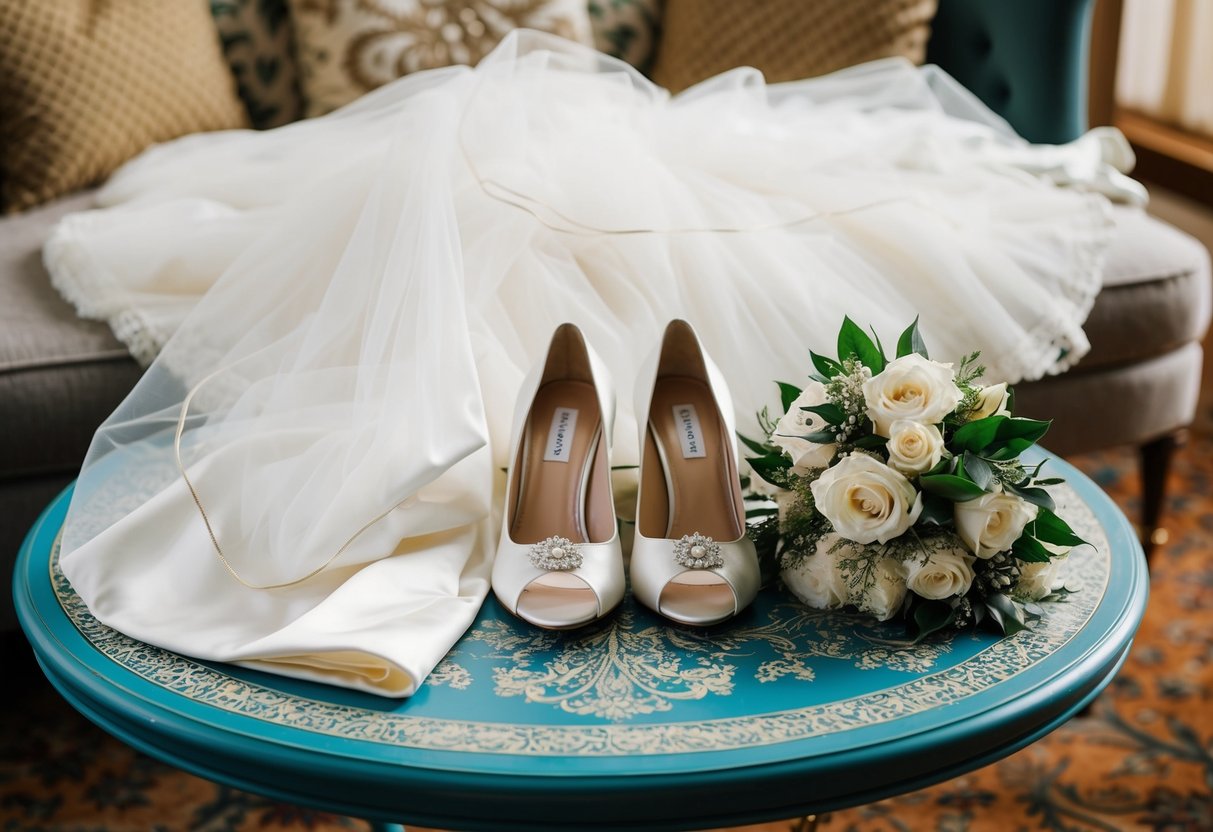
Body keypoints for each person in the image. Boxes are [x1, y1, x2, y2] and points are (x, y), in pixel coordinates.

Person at [45, 31, 1136, 697]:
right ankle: (606, 433)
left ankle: (658, 424)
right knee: (478, 243)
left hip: (646, 155)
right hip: (446, 170)